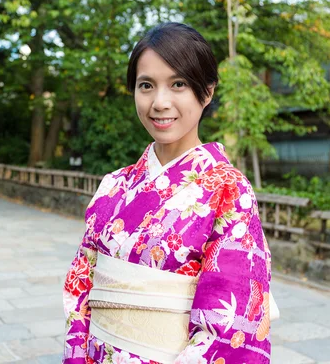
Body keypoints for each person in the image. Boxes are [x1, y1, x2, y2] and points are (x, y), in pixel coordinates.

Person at [63, 23, 274, 364]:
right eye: (146, 86)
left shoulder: (228, 189)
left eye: (178, 84)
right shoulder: (112, 186)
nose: (159, 102)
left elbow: (232, 325)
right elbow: (79, 289)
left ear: (206, 92)